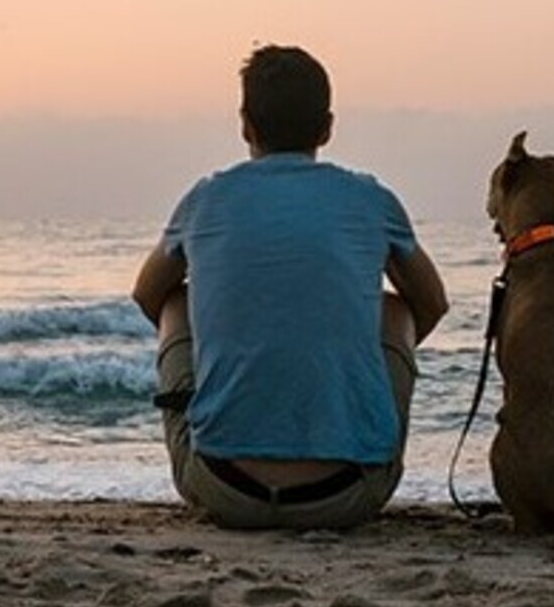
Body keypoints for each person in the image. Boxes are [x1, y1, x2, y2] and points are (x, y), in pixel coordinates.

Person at [132, 45, 448, 529]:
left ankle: (226, 420)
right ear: (327, 127)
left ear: (245, 125)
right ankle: (353, 428)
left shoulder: (206, 199)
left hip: (223, 488)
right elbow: (431, 303)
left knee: (178, 298)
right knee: (396, 310)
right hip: (349, 493)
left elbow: (147, 294)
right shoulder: (371, 200)